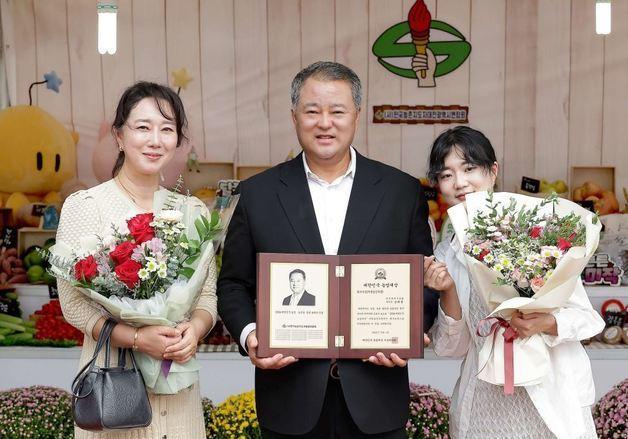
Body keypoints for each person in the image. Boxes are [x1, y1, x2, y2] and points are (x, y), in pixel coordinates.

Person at [217, 61, 438, 439]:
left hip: (377, 400)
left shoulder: (401, 192)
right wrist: (252, 334)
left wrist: (410, 331)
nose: (325, 122)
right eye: (312, 111)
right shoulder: (258, 194)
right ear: (294, 117)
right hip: (290, 401)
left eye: (337, 111)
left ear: (356, 116)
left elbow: (425, 280)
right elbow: (234, 283)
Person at [55, 82, 217, 438]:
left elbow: (206, 295)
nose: (155, 140)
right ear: (118, 135)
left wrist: (196, 329)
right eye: (143, 127)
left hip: (179, 392)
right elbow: (73, 306)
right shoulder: (88, 207)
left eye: (167, 129)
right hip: (114, 390)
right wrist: (137, 338)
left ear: (178, 139)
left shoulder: (190, 211)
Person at [426, 126, 604, 438]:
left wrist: (545, 322)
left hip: (547, 399)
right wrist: (449, 290)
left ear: (492, 171)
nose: (460, 183)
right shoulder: (447, 252)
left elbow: (588, 320)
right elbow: (450, 348)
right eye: (446, 174)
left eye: (469, 169)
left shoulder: (538, 233)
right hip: (482, 404)